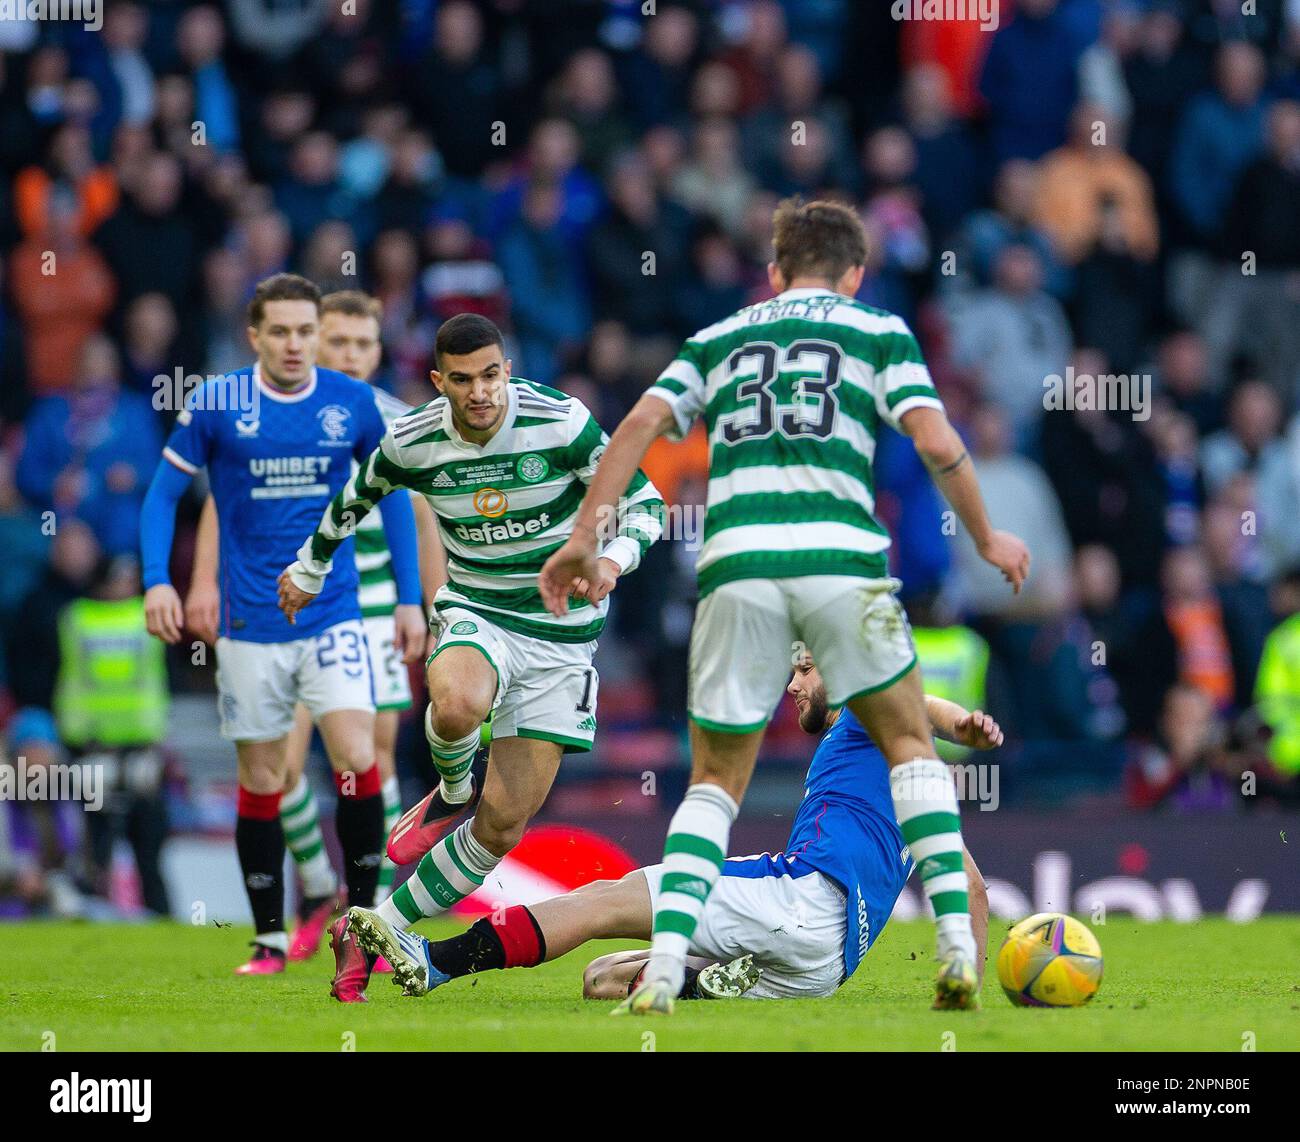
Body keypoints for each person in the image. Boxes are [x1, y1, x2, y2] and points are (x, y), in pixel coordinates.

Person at [539, 197, 1029, 1014]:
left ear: (773, 272)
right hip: (840, 560)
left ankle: (664, 965)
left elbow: (633, 429)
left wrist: (586, 535)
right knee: (911, 747)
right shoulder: (879, 332)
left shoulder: (721, 338)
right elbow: (940, 445)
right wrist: (985, 538)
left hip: (736, 565)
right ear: (857, 272)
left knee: (714, 783)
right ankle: (955, 949)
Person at [276, 313, 665, 1003]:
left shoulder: (561, 422)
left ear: (506, 369)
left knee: (502, 824)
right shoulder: (416, 438)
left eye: (490, 374)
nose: (480, 391)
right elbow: (357, 494)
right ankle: (450, 786)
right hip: (477, 610)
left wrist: (611, 559)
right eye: (462, 380)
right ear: (438, 382)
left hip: (562, 637)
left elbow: (646, 505)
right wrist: (310, 566)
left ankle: (372, 928)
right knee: (456, 705)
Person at [347, 650, 996, 1003]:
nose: (792, 686)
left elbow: (920, 705)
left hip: (800, 899)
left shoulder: (865, 712)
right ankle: (706, 985)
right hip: (826, 971)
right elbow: (972, 887)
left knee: (601, 901)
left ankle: (434, 961)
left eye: (803, 668)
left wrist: (961, 720)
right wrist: (961, 982)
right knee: (601, 976)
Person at [140, 273, 425, 978]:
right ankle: (270, 935)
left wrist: (412, 598)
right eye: (284, 332)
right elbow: (164, 497)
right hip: (249, 625)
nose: (296, 344)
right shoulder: (218, 403)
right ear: (256, 336)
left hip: (335, 615)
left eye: (306, 331)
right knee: (265, 775)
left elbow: (394, 502)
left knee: (360, 758)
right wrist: (161, 582)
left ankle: (362, 926)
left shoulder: (355, 405)